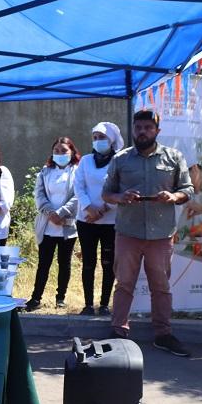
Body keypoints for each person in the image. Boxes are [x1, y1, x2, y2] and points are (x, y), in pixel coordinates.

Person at [102, 109, 194, 357]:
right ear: (133, 131)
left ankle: (163, 335)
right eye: (138, 128)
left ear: (157, 131)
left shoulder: (174, 157)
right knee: (124, 285)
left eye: (147, 128)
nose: (142, 132)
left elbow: (188, 188)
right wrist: (121, 197)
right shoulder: (120, 159)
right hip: (128, 234)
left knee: (161, 287)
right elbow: (106, 193)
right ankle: (118, 331)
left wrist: (173, 196)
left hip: (161, 235)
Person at [74, 122, 124, 316]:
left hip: (110, 220)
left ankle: (104, 304)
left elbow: (121, 188)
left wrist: (102, 209)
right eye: (94, 138)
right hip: (86, 219)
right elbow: (78, 185)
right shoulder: (85, 161)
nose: (98, 141)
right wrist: (89, 208)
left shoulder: (119, 160)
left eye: (102, 137)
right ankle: (88, 304)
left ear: (111, 140)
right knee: (88, 261)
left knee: (108, 262)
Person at [25, 137, 80, 311]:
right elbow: (39, 194)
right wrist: (50, 212)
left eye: (64, 150)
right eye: (56, 150)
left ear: (72, 152)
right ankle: (35, 299)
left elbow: (78, 196)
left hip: (67, 225)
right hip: (47, 224)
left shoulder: (78, 172)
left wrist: (61, 213)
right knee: (44, 263)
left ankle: (61, 298)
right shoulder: (45, 172)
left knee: (64, 264)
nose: (60, 154)